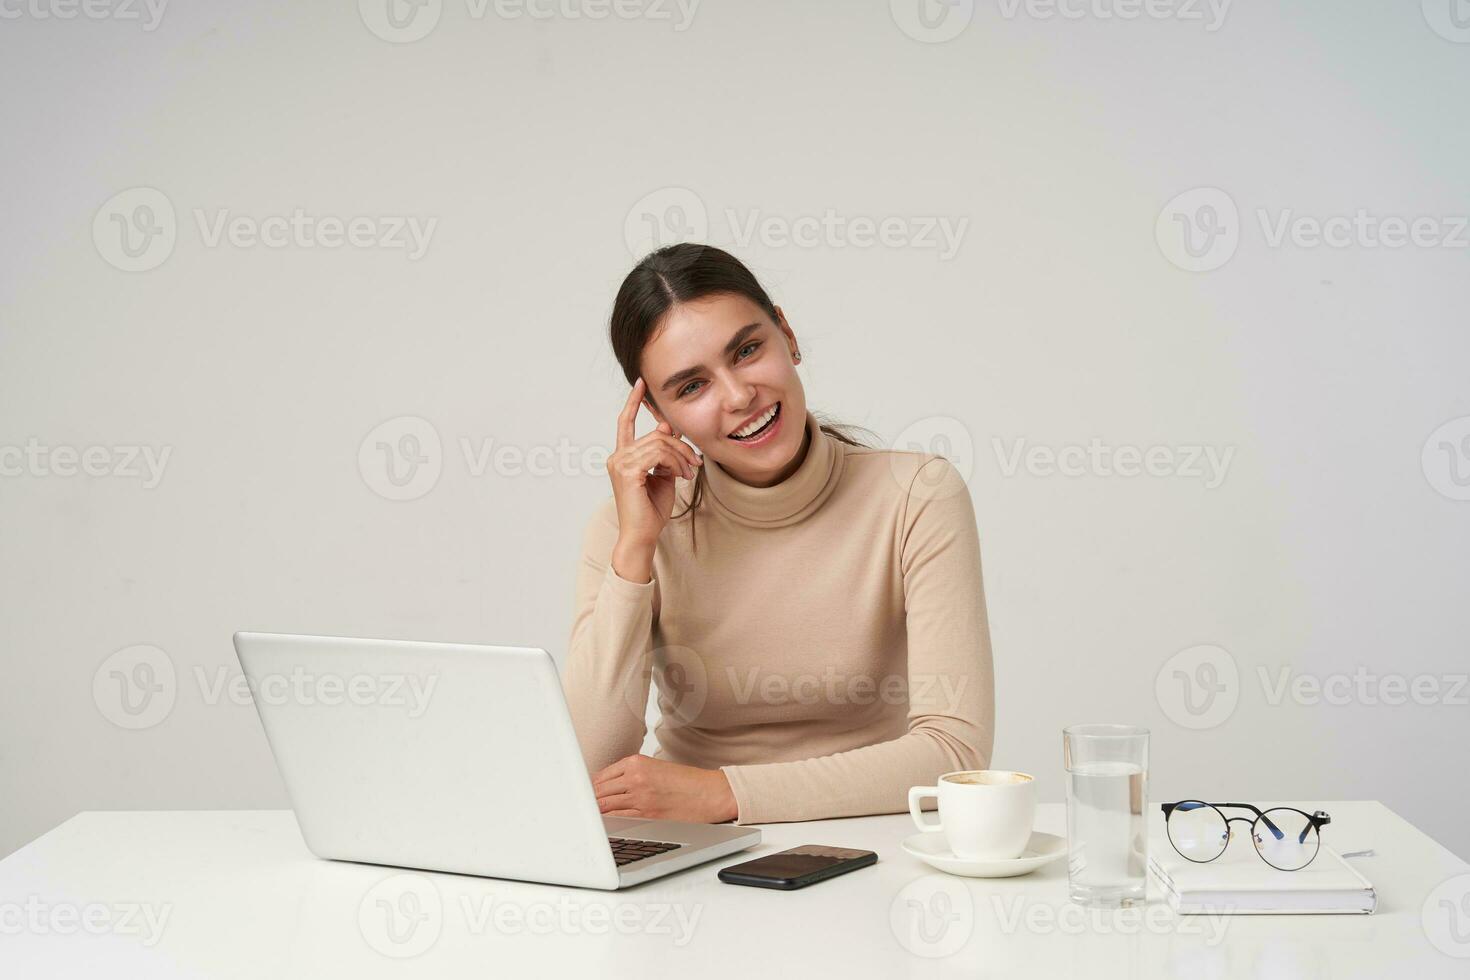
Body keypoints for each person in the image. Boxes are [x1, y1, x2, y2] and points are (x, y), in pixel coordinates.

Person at [563, 242, 994, 825]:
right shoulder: (631, 525)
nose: (740, 396)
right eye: (692, 387)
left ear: (786, 335)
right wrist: (636, 550)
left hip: (873, 837)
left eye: (746, 350)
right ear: (658, 416)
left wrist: (723, 794)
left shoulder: (917, 495)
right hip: (692, 851)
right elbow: (588, 770)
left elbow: (955, 753)